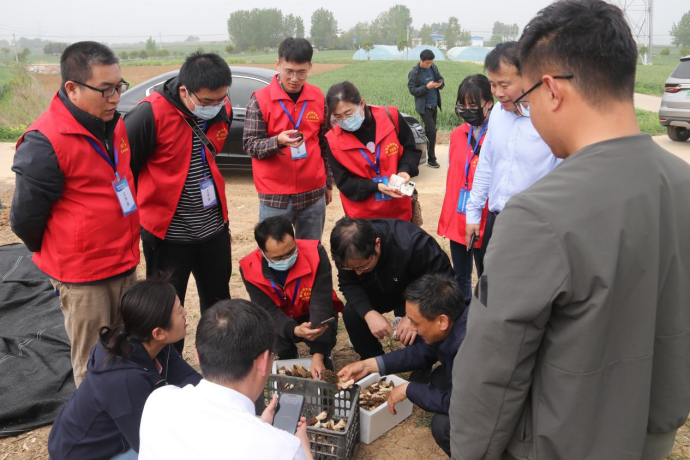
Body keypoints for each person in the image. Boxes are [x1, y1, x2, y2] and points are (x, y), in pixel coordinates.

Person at [450, 1, 690, 459]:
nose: (527, 111)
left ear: (552, 90)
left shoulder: (537, 214)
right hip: (653, 427)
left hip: (567, 441)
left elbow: (493, 370)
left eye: (527, 100)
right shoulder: (682, 182)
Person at [10, 41, 139, 386]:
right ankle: (97, 420)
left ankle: (126, 407)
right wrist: (67, 250)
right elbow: (25, 220)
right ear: (72, 88)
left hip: (124, 259)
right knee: (94, 362)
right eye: (106, 89)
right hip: (85, 276)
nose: (115, 97)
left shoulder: (113, 124)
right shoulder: (45, 141)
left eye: (119, 86)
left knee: (126, 348)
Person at [125, 52, 232, 352]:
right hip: (168, 236)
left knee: (219, 305)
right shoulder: (149, 115)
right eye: (207, 101)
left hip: (213, 230)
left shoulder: (222, 107)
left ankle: (219, 362)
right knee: (167, 311)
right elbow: (126, 171)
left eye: (221, 99)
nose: (216, 106)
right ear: (184, 91)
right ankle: (168, 369)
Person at [139, 299, 314, 460]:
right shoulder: (284, 450)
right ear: (263, 362)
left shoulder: (159, 401)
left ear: (198, 355)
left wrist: (259, 425)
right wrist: (304, 451)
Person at [48, 279, 201, 460]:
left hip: (119, 437)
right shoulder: (125, 380)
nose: (185, 313)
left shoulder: (152, 343)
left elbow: (191, 381)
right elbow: (150, 447)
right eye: (179, 310)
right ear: (158, 333)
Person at [339, 274, 468, 456]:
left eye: (415, 322)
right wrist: (367, 366)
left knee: (443, 427)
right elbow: (422, 352)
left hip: (497, 409)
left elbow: (461, 404)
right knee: (439, 378)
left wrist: (410, 389)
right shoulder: (457, 318)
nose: (411, 328)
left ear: (442, 321)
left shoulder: (468, 350)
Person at [464, 42, 560, 255]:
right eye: (492, 84)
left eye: (504, 85)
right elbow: (486, 165)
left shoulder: (551, 119)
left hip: (535, 228)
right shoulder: (497, 114)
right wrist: (473, 214)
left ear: (528, 77)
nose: (497, 93)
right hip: (496, 223)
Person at [243, 37, 332, 240]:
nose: (294, 78)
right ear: (278, 65)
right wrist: (277, 142)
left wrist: (327, 183)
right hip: (275, 197)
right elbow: (250, 145)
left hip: (313, 194)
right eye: (288, 71)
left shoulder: (318, 97)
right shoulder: (260, 100)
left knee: (311, 251)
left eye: (301, 72)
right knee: (275, 252)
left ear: (310, 67)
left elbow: (325, 144)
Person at [330, 216, 454, 360]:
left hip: (418, 292)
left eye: (362, 267)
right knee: (352, 313)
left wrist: (413, 315)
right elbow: (349, 284)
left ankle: (422, 363)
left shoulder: (415, 244)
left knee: (422, 321)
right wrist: (368, 313)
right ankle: (373, 361)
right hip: (378, 290)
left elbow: (444, 283)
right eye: (352, 269)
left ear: (377, 244)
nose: (357, 272)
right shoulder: (345, 253)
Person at [239, 216, 342, 379]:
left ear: (295, 240)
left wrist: (319, 354)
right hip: (280, 316)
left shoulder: (316, 254)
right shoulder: (250, 269)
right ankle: (287, 355)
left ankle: (324, 354)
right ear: (262, 252)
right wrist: (294, 329)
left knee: (327, 316)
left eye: (290, 252)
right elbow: (268, 310)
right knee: (265, 325)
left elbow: (321, 302)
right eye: (277, 258)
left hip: (310, 312)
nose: (286, 260)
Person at [325, 81, 422, 221]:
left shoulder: (390, 117)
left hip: (399, 208)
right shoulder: (332, 141)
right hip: (363, 218)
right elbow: (344, 182)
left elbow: (410, 149)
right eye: (338, 117)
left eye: (348, 113)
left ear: (361, 103)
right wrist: (375, 187)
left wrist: (404, 170)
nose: (345, 120)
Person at [437, 75, 493, 296]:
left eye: (473, 105)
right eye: (462, 105)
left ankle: (486, 313)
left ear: (489, 103)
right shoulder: (457, 134)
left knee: (486, 276)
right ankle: (464, 312)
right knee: (460, 276)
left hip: (485, 218)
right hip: (459, 215)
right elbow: (452, 174)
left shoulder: (498, 135)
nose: (467, 110)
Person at [407, 49, 444, 168]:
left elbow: (441, 79)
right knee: (432, 131)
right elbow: (413, 91)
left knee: (430, 131)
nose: (429, 65)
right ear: (421, 60)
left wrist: (440, 83)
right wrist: (426, 87)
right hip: (424, 107)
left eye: (431, 62)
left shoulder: (433, 68)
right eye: (427, 63)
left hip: (434, 105)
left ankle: (420, 147)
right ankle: (431, 160)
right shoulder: (414, 73)